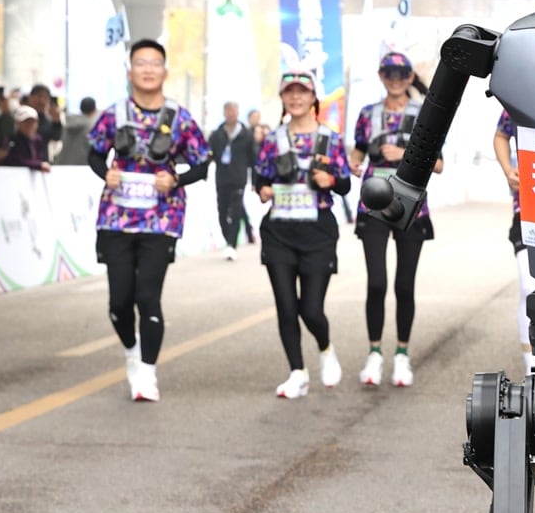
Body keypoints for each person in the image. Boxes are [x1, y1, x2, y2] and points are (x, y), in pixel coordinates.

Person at [87, 39, 212, 402]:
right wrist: (104, 174)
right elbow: (94, 154)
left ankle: (147, 372)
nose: (147, 69)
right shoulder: (114, 114)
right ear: (130, 71)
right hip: (117, 217)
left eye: (154, 63)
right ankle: (131, 351)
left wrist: (176, 178)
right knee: (119, 303)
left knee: (147, 296)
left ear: (164, 71)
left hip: (161, 218)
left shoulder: (180, 118)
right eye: (140, 62)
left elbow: (203, 163)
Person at [255, 71, 351, 397]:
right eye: (289, 92)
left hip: (318, 234)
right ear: (282, 98)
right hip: (278, 231)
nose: (295, 98)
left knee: (310, 309)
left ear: (313, 99)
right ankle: (297, 372)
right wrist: (263, 189)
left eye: (302, 92)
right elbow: (259, 178)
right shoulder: (272, 139)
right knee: (285, 306)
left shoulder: (330, 139)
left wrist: (332, 182)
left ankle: (325, 349)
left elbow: (347, 183)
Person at [350, 51, 437, 387]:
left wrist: (404, 155)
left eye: (402, 73)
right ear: (380, 75)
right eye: (390, 73)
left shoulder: (423, 114)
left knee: (404, 285)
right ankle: (374, 354)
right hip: (373, 202)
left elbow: (438, 163)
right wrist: (354, 161)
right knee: (376, 282)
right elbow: (358, 149)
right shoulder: (367, 114)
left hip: (410, 204)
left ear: (410, 76)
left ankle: (402, 355)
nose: (396, 79)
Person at [492, 105, 535, 376]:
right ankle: (531, 362)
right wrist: (508, 169)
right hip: (527, 209)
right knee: (529, 286)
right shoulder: (522, 93)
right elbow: (501, 134)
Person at [211, 100, 256, 259]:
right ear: (224, 113)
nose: (231, 114)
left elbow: (253, 159)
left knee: (236, 210)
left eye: (234, 111)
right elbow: (208, 155)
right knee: (222, 211)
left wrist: (255, 181)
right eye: (228, 111)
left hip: (239, 178)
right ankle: (227, 239)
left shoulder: (246, 135)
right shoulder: (217, 134)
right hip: (222, 178)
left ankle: (232, 244)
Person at [0, 105, 53, 170]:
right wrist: (39, 165)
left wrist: (40, 165)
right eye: (26, 121)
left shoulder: (38, 140)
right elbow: (17, 161)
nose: (29, 125)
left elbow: (41, 159)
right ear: (18, 123)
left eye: (32, 121)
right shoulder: (12, 140)